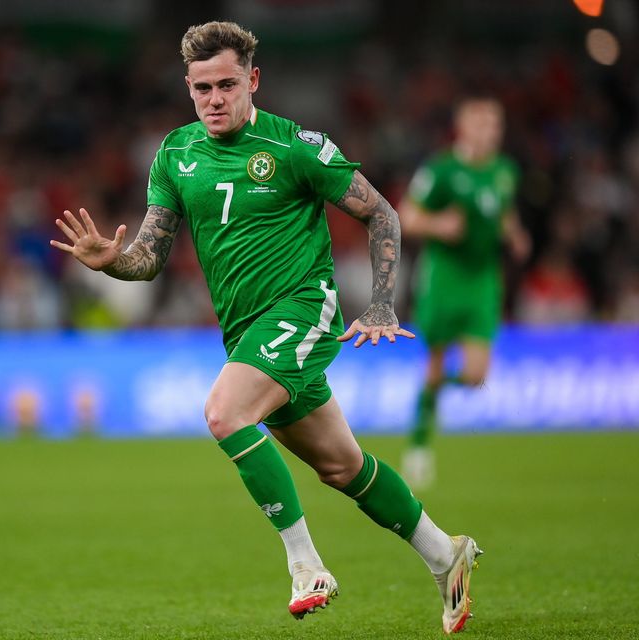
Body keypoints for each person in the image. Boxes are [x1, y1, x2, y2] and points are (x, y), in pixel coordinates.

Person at [51, 21, 480, 634]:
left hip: (302, 309)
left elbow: (382, 213)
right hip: (245, 331)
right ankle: (447, 554)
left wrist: (383, 302)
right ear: (189, 88)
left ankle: (306, 566)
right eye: (202, 89)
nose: (215, 99)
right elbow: (147, 257)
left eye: (227, 84)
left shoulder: (296, 146)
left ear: (252, 80)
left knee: (225, 413)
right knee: (342, 467)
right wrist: (110, 260)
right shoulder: (176, 153)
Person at [399, 97, 530, 488]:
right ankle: (419, 446)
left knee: (476, 375)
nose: (488, 132)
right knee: (436, 362)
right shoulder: (441, 170)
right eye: (480, 124)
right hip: (444, 277)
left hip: (483, 279)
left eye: (494, 125)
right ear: (462, 129)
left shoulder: (505, 171)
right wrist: (440, 225)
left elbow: (501, 209)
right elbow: (408, 214)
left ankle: (431, 396)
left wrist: (514, 233)